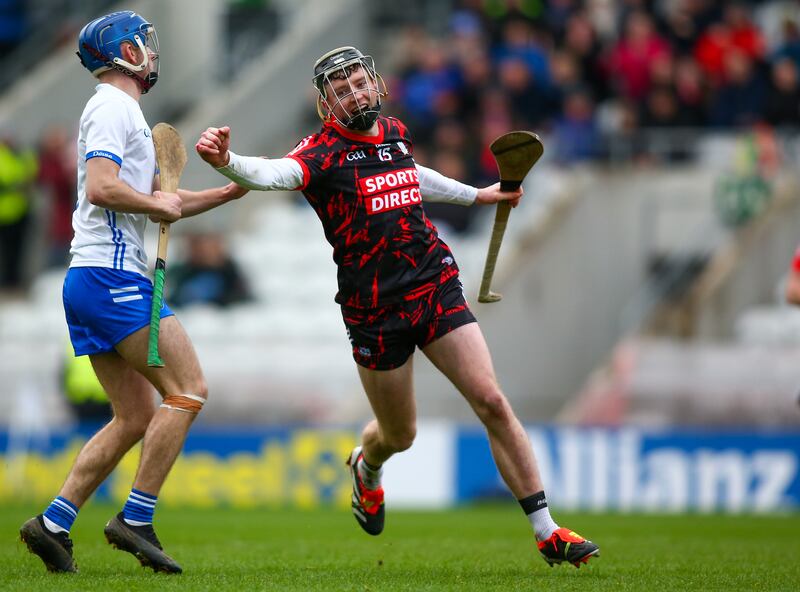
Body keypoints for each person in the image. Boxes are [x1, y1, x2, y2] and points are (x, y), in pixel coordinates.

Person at [195, 46, 599, 568]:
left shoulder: (394, 132)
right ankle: (367, 465)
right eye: (341, 91)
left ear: (376, 84)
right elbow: (270, 174)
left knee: (492, 402)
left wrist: (477, 196)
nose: (354, 94)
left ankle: (547, 532)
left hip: (433, 283)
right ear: (326, 105)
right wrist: (227, 161)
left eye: (359, 83)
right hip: (374, 311)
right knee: (398, 435)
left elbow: (413, 175)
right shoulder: (319, 154)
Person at [19, 11, 247, 574]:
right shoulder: (112, 106)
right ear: (126, 51)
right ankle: (135, 519)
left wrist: (224, 194)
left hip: (91, 278)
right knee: (188, 390)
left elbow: (154, 195)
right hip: (112, 277)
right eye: (145, 43)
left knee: (134, 415)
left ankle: (52, 523)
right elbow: (102, 188)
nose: (153, 51)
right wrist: (155, 204)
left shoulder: (123, 112)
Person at [168, 232, 250, 308]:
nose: (205, 252)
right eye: (199, 248)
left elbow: (241, 298)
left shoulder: (229, 273)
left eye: (210, 248)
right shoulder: (183, 271)